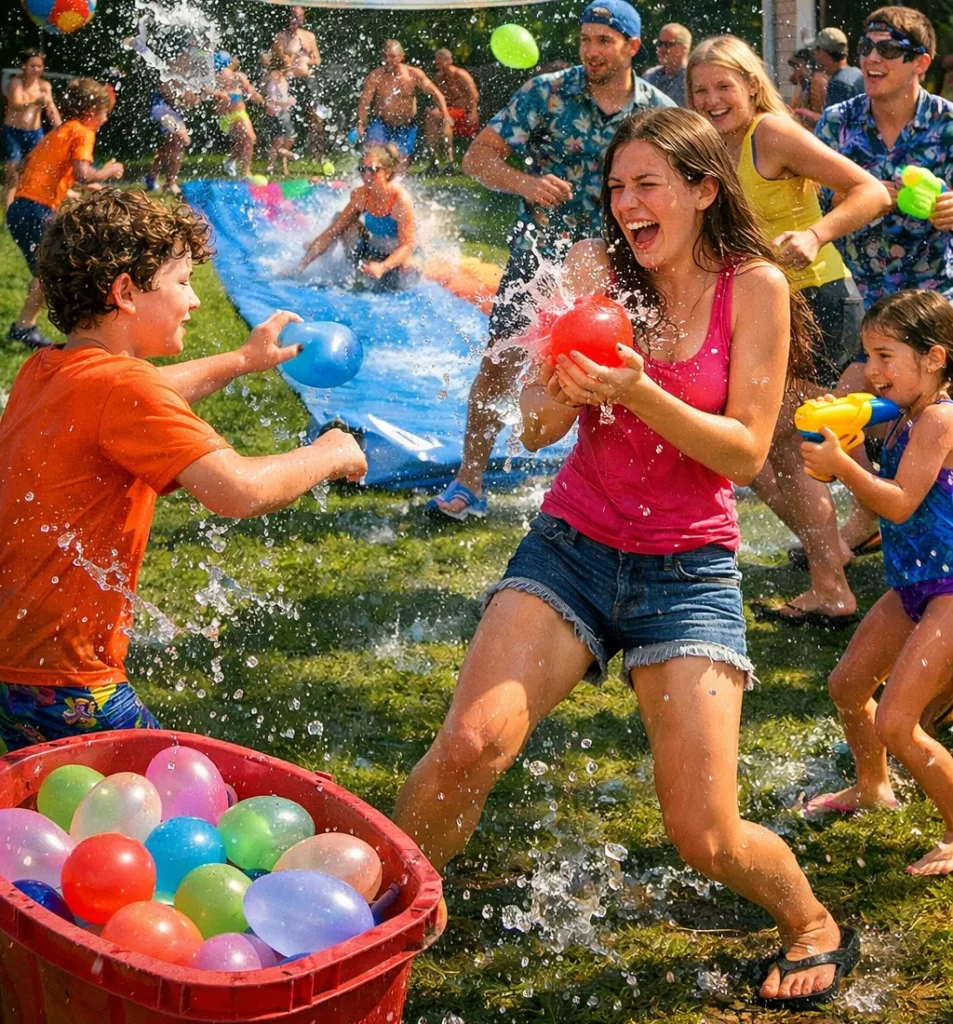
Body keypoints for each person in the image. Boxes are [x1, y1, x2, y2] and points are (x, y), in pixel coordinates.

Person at [396, 106, 861, 1011]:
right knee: (468, 744)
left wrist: (637, 389)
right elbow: (532, 424)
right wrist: (564, 391)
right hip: (572, 545)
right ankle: (388, 909)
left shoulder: (754, 286)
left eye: (647, 184)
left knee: (707, 836)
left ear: (701, 189)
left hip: (684, 573)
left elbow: (739, 449)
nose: (627, 204)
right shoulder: (591, 271)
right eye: (617, 187)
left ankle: (811, 923)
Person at [0, 189, 367, 751]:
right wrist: (330, 452)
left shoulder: (47, 370)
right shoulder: (124, 386)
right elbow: (238, 491)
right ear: (125, 292)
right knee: (171, 798)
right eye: (182, 282)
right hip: (69, 678)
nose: (195, 300)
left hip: (12, 664)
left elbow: (146, 391)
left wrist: (243, 361)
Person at [427, 0, 674, 520]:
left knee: (636, 375)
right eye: (585, 39)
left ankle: (633, 491)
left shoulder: (653, 111)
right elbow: (478, 157)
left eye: (603, 41)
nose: (591, 51)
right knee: (501, 364)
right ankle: (470, 479)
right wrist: (526, 183)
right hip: (542, 261)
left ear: (632, 47)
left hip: (622, 264)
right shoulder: (547, 92)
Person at [688, 35, 890, 625]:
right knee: (753, 457)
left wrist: (816, 233)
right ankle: (834, 554)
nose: (712, 99)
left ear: (751, 85)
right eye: (700, 90)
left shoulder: (770, 135)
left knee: (778, 443)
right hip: (761, 310)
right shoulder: (705, 148)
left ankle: (831, 581)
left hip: (816, 299)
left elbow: (870, 190)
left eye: (724, 86)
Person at [800, 291, 953, 877]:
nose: (871, 371)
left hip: (948, 591)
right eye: (867, 355)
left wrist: (842, 469)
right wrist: (850, 452)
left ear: (934, 357)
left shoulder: (938, 417)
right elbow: (875, 487)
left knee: (895, 721)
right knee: (847, 686)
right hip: (913, 585)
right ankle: (871, 786)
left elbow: (898, 504)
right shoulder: (901, 418)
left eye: (886, 356)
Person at [811, 6, 953, 576]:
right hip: (871, 299)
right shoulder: (840, 123)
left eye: (887, 50)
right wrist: (873, 196)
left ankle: (885, 524)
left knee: (918, 414)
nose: (871, 59)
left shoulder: (947, 124)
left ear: (920, 62)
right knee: (860, 410)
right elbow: (821, 199)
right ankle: (877, 519)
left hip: (938, 302)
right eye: (867, 48)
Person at [6, 78, 123, 351]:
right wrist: (110, 171)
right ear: (93, 111)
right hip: (35, 210)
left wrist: (66, 188)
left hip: (22, 209)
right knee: (58, 269)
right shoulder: (83, 132)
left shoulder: (62, 130)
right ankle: (68, 329)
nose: (105, 120)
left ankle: (27, 326)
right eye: (105, 114)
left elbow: (38, 166)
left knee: (50, 269)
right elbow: (83, 173)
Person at [296, 143, 416, 291]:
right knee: (341, 221)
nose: (366, 175)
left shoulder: (400, 200)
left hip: (396, 253)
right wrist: (301, 266)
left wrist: (382, 267)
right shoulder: (360, 196)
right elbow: (334, 230)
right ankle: (345, 265)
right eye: (362, 170)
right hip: (374, 248)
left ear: (387, 172)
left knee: (408, 266)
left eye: (373, 170)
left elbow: (407, 246)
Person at [356, 40, 452, 172]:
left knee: (401, 164)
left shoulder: (413, 75)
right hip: (381, 122)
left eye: (393, 56)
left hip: (406, 125)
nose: (388, 60)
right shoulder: (376, 76)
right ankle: (369, 183)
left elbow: (436, 93)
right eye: (385, 56)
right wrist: (361, 121)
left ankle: (396, 187)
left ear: (402, 57)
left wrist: (446, 115)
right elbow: (365, 101)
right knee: (374, 156)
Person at [3, 49, 61, 211]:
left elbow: (51, 108)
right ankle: (8, 209)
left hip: (35, 133)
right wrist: (36, 100)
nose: (36, 69)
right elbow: (16, 104)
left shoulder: (44, 86)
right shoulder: (16, 83)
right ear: (23, 66)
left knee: (37, 169)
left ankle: (33, 204)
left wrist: (60, 127)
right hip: (13, 131)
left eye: (39, 66)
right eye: (32, 66)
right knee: (12, 171)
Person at [143, 47, 205, 196]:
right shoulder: (170, 67)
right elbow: (168, 93)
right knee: (180, 140)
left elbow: (191, 101)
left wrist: (197, 98)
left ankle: (152, 177)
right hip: (162, 109)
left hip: (172, 112)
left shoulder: (188, 72)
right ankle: (170, 183)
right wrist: (186, 99)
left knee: (169, 148)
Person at [270, 5, 325, 161]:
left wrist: (308, 59)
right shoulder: (280, 37)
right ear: (287, 17)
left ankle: (317, 155)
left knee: (315, 116)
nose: (295, 19)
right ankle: (281, 157)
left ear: (303, 18)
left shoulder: (309, 36)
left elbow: (318, 60)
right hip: (289, 81)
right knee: (286, 118)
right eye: (293, 15)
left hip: (308, 81)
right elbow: (284, 61)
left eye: (299, 16)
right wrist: (293, 50)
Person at [424, 49, 479, 174]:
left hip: (464, 113)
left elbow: (474, 94)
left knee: (442, 119)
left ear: (449, 60)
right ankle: (434, 161)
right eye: (436, 59)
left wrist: (473, 112)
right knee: (431, 117)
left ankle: (449, 162)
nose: (436, 62)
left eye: (440, 59)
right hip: (449, 114)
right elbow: (438, 97)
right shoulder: (439, 77)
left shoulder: (461, 74)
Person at [212, 52, 263, 180]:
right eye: (234, 59)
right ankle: (244, 172)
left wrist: (260, 98)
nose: (237, 60)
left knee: (248, 140)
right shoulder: (215, 78)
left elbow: (250, 91)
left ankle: (233, 162)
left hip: (240, 114)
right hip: (226, 117)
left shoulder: (238, 77)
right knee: (248, 139)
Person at [814, 28, 865, 115]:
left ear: (823, 52)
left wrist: (806, 115)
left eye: (817, 49)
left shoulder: (838, 84)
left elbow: (834, 124)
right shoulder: (858, 73)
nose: (815, 53)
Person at [262, 55, 298, 177]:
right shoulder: (272, 83)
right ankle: (271, 166)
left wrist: (288, 101)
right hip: (276, 113)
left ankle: (283, 167)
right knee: (277, 142)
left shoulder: (283, 80)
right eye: (283, 69)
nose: (285, 71)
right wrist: (287, 102)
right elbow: (272, 100)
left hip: (284, 113)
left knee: (289, 139)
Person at [644, 23, 691, 106]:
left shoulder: (691, 78)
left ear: (684, 49)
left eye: (668, 44)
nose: (661, 49)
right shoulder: (650, 76)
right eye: (659, 43)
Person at [788, 47, 829, 128]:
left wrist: (804, 113)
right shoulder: (803, 83)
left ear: (805, 66)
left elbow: (821, 117)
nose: (792, 75)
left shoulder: (817, 81)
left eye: (796, 68)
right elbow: (792, 108)